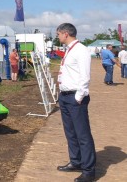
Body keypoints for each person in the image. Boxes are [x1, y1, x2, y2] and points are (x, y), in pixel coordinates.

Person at [55, 23, 96, 182]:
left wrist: (79, 97)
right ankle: (76, 161)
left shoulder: (81, 50)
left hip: (75, 98)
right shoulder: (70, 50)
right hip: (65, 96)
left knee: (82, 134)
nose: (57, 36)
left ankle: (89, 171)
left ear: (65, 34)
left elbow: (85, 76)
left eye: (58, 34)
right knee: (70, 132)